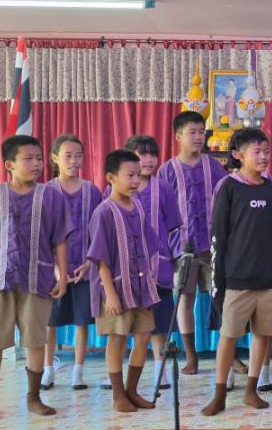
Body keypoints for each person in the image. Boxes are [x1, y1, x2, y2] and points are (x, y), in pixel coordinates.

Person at [0, 135, 70, 419]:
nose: (36, 164)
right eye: (28, 159)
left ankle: (34, 397)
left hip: (38, 278)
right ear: (9, 164)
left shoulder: (51, 196)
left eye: (39, 158)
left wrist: (62, 276)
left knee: (35, 338)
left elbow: (60, 239)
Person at [201, 128, 272, 416]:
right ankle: (219, 395)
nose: (263, 157)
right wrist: (219, 280)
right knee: (228, 336)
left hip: (270, 279)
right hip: (237, 280)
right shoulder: (228, 187)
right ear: (238, 155)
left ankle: (252, 389)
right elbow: (218, 237)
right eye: (257, 152)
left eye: (266, 151)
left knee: (264, 335)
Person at [88, 150, 161, 413]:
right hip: (116, 288)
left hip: (141, 287)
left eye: (138, 175)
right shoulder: (103, 212)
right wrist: (110, 294)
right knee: (117, 338)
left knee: (143, 335)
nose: (135, 181)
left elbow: (147, 244)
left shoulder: (138, 206)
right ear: (111, 177)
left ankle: (132, 390)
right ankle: (118, 395)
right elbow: (101, 259)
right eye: (129, 175)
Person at [158, 111, 228, 374]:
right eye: (192, 132)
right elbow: (161, 211)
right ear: (178, 136)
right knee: (184, 300)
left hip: (212, 246)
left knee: (221, 297)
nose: (199, 137)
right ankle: (191, 356)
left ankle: (229, 354)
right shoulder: (167, 170)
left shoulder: (215, 167)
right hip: (182, 248)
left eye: (202, 132)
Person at [122, 135, 183, 390]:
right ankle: (122, 375)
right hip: (127, 270)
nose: (148, 160)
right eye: (142, 154)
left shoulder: (164, 188)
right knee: (128, 323)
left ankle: (161, 371)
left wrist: (175, 260)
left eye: (152, 154)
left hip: (159, 268)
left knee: (159, 323)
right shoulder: (118, 189)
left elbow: (174, 227)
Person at [42, 134, 102, 391]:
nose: (74, 161)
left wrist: (89, 262)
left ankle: (78, 371)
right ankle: (47, 370)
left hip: (84, 269)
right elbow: (41, 234)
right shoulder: (45, 192)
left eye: (78, 155)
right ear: (55, 158)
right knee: (49, 321)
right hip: (53, 272)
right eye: (68, 156)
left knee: (81, 321)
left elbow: (99, 232)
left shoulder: (93, 191)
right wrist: (57, 268)